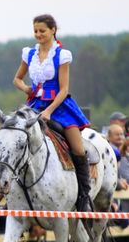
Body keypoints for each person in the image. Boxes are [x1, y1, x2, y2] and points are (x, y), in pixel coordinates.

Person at [13, 14, 92, 212]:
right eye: (35, 31)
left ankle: (84, 195)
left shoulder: (62, 55)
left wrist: (49, 110)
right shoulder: (29, 53)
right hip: (34, 104)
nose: (38, 34)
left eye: (42, 31)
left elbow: (64, 89)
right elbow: (17, 79)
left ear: (53, 30)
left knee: (78, 149)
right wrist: (26, 89)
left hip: (59, 105)